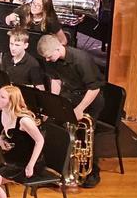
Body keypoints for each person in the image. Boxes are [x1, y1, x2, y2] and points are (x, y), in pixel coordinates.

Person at [38, 34, 104, 188]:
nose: (47, 60)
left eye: (48, 57)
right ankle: (59, 168)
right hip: (70, 95)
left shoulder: (81, 59)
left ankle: (90, 172)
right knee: (55, 128)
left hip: (89, 99)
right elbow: (56, 80)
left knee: (84, 135)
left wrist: (80, 108)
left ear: (58, 48)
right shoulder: (50, 59)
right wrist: (53, 103)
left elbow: (94, 88)